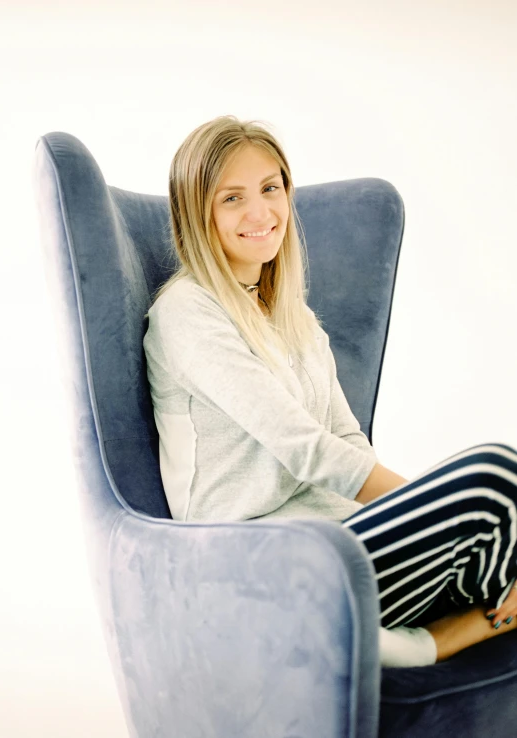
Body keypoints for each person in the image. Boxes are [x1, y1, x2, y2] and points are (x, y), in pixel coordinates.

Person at [143, 114, 517, 667]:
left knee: (499, 513)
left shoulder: (294, 318)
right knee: (493, 475)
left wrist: (429, 519)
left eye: (271, 189)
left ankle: (462, 620)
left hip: (339, 536)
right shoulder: (186, 311)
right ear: (197, 214)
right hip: (255, 556)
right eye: (232, 198)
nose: (260, 212)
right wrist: (430, 505)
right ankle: (446, 633)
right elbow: (304, 447)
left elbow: (345, 436)